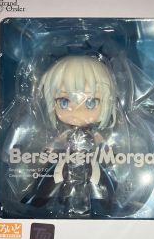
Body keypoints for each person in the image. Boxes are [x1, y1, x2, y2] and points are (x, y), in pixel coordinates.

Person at [22, 54, 117, 217]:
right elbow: (54, 146)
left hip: (90, 162)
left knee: (98, 180)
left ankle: (106, 203)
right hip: (65, 160)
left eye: (91, 103)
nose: (77, 111)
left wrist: (109, 155)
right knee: (54, 176)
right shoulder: (65, 134)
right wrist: (47, 153)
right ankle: (40, 200)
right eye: (64, 102)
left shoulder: (94, 135)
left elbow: (104, 147)